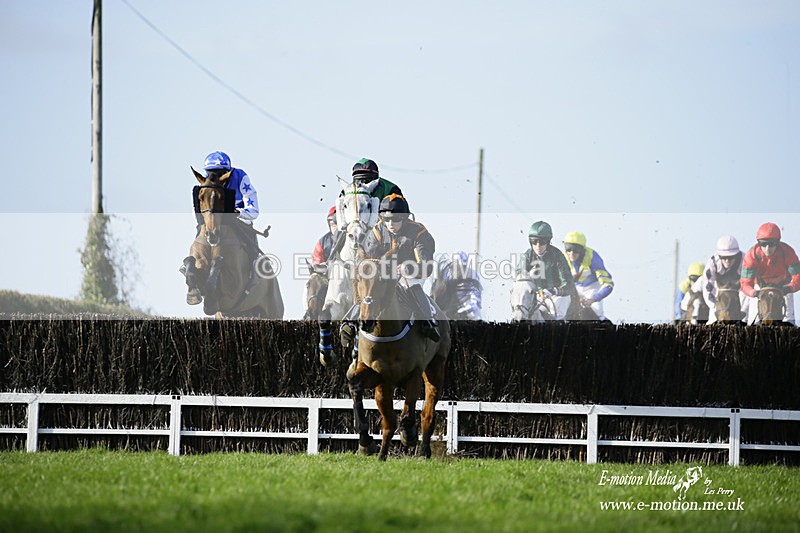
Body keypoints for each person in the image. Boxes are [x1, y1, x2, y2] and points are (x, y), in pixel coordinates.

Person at [183, 151, 260, 305]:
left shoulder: (240, 177)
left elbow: (254, 211)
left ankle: (254, 263)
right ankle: (190, 271)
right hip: (214, 220)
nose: (214, 177)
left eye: (219, 173)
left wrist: (238, 213)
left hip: (239, 218)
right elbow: (197, 212)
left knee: (247, 242)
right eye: (210, 173)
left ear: (227, 172)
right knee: (201, 233)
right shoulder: (204, 186)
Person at [362, 194, 440, 341]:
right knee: (367, 287)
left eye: (396, 219)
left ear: (404, 218)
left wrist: (408, 268)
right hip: (384, 274)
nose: (390, 223)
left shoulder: (419, 232)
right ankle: (350, 323)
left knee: (411, 284)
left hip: (411, 274)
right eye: (386, 219)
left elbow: (426, 267)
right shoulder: (377, 232)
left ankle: (428, 322)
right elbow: (369, 260)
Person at [740, 222, 800, 325]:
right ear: (759, 243)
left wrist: (789, 288)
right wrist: (754, 293)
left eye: (771, 244)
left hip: (783, 286)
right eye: (763, 244)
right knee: (753, 322)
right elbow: (745, 283)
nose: (767, 249)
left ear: (777, 243)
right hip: (760, 287)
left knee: (789, 321)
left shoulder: (788, 252)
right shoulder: (752, 255)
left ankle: (791, 323)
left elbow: (798, 278)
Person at [513, 221, 574, 320]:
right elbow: (519, 277)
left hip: (558, 296)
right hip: (537, 296)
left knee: (557, 316)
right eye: (534, 241)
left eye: (542, 242)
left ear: (548, 242)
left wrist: (553, 291)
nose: (538, 246)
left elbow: (568, 285)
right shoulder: (527, 256)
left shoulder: (557, 256)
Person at [561, 231, 614, 321]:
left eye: (576, 250)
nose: (571, 253)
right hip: (574, 287)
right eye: (568, 249)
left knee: (597, 311)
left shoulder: (593, 258)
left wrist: (594, 298)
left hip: (592, 288)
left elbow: (608, 285)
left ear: (582, 250)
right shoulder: (562, 258)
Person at [699, 235, 747, 324]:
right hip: (719, 297)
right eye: (724, 257)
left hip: (740, 295)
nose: (727, 261)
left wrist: (743, 309)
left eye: (731, 257)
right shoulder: (713, 262)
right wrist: (715, 306)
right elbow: (708, 288)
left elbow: (748, 286)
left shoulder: (745, 261)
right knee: (711, 322)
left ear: (736, 255)